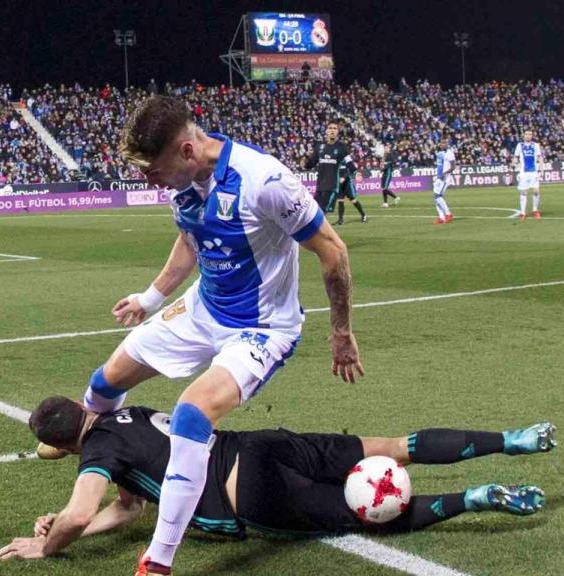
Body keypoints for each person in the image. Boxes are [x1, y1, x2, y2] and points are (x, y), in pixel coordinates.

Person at [79, 96, 363, 575]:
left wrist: (341, 332)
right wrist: (150, 298)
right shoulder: (184, 183)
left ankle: (158, 561)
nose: (149, 181)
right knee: (103, 384)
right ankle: (123, 490)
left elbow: (333, 251)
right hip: (201, 309)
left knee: (191, 414)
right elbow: (192, 238)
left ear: (187, 152)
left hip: (260, 328)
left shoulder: (265, 181)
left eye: (153, 170)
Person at [0, 397, 554, 564]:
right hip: (260, 444)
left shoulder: (98, 450)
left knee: (372, 508)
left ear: (71, 443)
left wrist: (47, 545)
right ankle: (510, 438)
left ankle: (477, 498)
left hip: (251, 495)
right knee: (391, 448)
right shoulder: (131, 415)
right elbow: (129, 510)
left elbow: (78, 513)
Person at [303, 122, 367, 225]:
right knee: (314, 213)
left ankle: (321, 238)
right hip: (319, 186)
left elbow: (349, 162)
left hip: (332, 187)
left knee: (320, 214)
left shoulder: (341, 147)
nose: (332, 130)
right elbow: (311, 163)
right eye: (330, 128)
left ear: (337, 132)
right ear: (326, 131)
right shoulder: (319, 147)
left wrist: (356, 173)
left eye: (335, 128)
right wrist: (305, 165)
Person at [513, 129, 544, 220]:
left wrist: (541, 170)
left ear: (532, 136)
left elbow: (540, 158)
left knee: (536, 191)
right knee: (523, 192)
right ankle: (523, 213)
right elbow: (515, 157)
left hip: (533, 172)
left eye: (530, 134)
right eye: (527, 134)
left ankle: (535, 211)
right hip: (523, 173)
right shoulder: (520, 145)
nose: (528, 136)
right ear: (524, 136)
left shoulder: (535, 145)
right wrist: (515, 164)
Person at [432, 140, 456, 225]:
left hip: (445, 178)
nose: (441, 145)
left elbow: (453, 166)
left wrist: (444, 173)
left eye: (443, 143)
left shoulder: (450, 154)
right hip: (440, 177)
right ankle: (441, 218)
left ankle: (448, 214)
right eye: (441, 143)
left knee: (437, 196)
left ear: (447, 144)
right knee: (436, 198)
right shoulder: (443, 153)